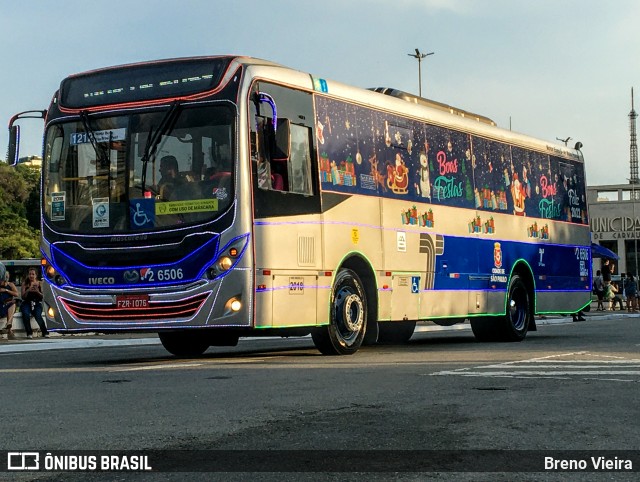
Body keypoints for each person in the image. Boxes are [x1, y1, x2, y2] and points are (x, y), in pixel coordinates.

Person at [20, 267, 49, 339]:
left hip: (36, 302)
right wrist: (28, 290)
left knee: (38, 315)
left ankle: (45, 332)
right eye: (30, 274)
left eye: (33, 274)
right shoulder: (25, 283)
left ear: (36, 275)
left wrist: (37, 291)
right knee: (26, 314)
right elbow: (23, 297)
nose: (31, 276)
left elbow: (43, 296)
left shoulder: (39, 283)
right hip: (27, 302)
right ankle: (29, 332)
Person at [0, 262, 19, 340]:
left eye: (8, 277)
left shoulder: (10, 285)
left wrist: (6, 290)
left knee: (13, 304)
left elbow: (16, 294)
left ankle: (9, 327)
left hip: (6, 305)